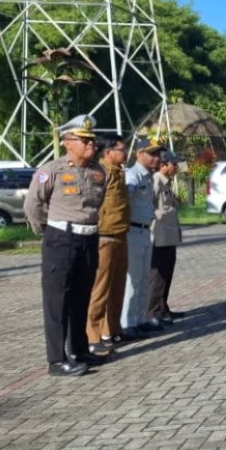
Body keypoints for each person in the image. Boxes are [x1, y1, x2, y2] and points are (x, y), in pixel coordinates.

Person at [23, 115, 106, 377]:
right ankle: (57, 361)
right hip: (60, 239)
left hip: (89, 238)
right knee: (57, 301)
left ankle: (80, 351)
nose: (91, 144)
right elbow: (32, 205)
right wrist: (46, 232)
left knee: (81, 298)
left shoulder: (98, 171)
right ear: (68, 143)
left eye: (92, 139)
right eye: (84, 140)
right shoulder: (52, 170)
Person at [85, 132, 130, 358]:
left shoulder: (118, 172)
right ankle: (93, 336)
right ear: (108, 152)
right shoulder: (100, 173)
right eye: (122, 149)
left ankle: (111, 331)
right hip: (105, 236)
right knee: (100, 289)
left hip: (121, 234)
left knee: (117, 288)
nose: (126, 152)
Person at [121, 136, 164, 338]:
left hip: (145, 231)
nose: (157, 158)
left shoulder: (146, 176)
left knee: (144, 278)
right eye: (152, 154)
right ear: (139, 155)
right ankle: (127, 323)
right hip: (133, 232)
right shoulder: (133, 176)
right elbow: (123, 203)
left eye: (158, 154)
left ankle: (139, 319)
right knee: (133, 280)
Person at [147, 151, 183, 325]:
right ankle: (152, 312)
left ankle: (162, 307)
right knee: (157, 275)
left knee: (167, 272)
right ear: (163, 164)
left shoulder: (167, 182)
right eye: (173, 164)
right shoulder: (155, 181)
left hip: (169, 234)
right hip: (158, 235)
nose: (176, 167)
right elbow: (149, 205)